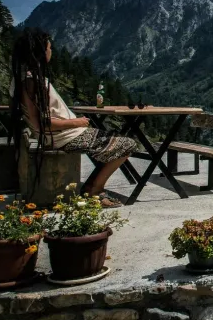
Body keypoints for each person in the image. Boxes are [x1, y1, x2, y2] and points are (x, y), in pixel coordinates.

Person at [10, 28, 135, 207]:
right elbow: (43, 124)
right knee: (127, 144)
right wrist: (77, 122)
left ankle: (92, 185)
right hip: (63, 137)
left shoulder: (22, 79)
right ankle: (94, 191)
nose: (51, 51)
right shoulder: (33, 82)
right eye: (49, 48)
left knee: (112, 139)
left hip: (61, 135)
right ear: (40, 52)